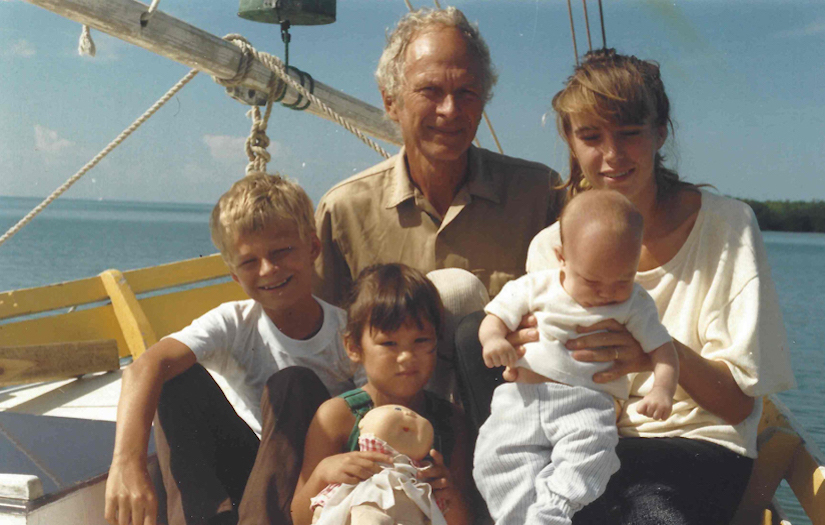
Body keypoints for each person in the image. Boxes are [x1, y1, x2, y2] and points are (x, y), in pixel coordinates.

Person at [521, 49, 796, 524]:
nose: (611, 155)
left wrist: (655, 351)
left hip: (698, 447)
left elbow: (737, 405)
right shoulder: (551, 248)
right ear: (569, 139)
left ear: (661, 131)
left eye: (630, 133)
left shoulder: (727, 227)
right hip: (587, 446)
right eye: (591, 136)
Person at [104, 172, 364, 525]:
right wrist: (126, 465)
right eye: (249, 262)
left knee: (293, 384)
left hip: (317, 488)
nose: (268, 270)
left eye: (282, 251)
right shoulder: (235, 322)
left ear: (314, 249)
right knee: (174, 379)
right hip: (259, 479)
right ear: (235, 277)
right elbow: (144, 367)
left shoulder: (348, 333)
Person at [313, 7, 564, 307]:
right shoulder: (343, 213)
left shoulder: (540, 196)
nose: (450, 109)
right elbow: (322, 338)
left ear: (484, 99)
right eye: (430, 90)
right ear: (391, 102)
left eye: (466, 92)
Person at [473, 189, 679, 525]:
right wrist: (493, 338)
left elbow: (664, 351)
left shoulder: (635, 303)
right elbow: (495, 317)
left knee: (590, 456)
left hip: (587, 402)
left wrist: (662, 390)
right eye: (593, 281)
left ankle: (552, 513)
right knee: (495, 458)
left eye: (623, 280)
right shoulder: (535, 286)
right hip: (521, 397)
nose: (607, 293)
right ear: (562, 256)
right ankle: (520, 519)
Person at [291, 264, 474, 525]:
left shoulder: (450, 421)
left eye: (421, 341)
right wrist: (323, 473)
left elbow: (466, 520)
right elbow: (298, 517)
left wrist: (449, 494)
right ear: (354, 347)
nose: (407, 357)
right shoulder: (338, 417)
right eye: (389, 343)